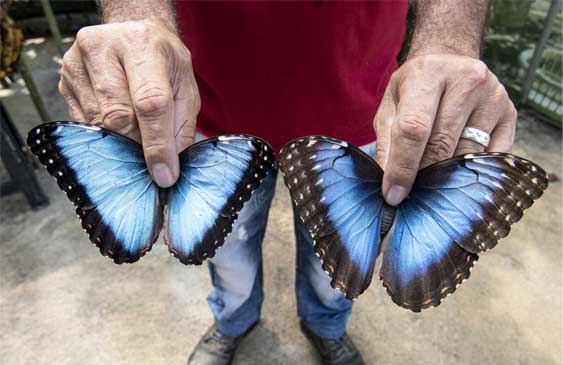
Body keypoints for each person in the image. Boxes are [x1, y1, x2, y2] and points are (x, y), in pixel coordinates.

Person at [58, 1, 517, 364]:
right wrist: (134, 16)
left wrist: (449, 41)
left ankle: (326, 327)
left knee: (333, 265)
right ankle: (234, 321)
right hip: (215, 124)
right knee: (229, 252)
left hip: (356, 124)